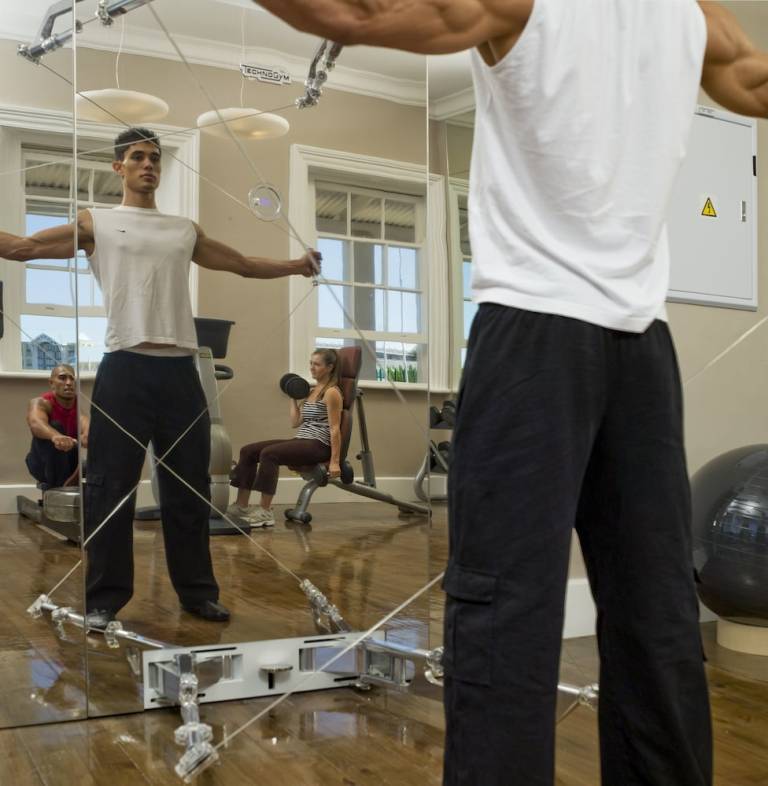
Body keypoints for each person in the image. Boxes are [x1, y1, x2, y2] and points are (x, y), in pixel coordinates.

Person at [254, 2, 768, 785]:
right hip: (625, 348)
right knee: (649, 611)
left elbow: (356, 11)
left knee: (536, 610)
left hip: (551, 337)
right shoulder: (689, 13)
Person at [0, 127, 320, 630]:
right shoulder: (96, 222)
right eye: (137, 157)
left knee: (188, 488)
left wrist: (297, 265)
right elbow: (21, 247)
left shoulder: (182, 229)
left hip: (180, 372)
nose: (148, 164)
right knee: (110, 487)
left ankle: (198, 593)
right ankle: (105, 599)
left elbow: (240, 264)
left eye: (154, 157)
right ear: (119, 167)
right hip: (124, 368)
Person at [228, 348, 342, 527]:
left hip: (318, 445)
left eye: (317, 364)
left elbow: (335, 429)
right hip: (302, 440)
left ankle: (265, 511)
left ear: (329, 367)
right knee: (248, 451)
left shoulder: (331, 392)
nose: (312, 368)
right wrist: (293, 397)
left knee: (269, 454)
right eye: (311, 363)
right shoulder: (312, 391)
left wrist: (335, 461)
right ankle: (241, 505)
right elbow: (295, 422)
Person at [25, 364, 89, 490]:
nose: (69, 383)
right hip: (41, 464)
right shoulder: (41, 402)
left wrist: (87, 434)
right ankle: (59, 490)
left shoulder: (77, 405)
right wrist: (56, 436)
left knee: (94, 464)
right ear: (51, 383)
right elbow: (35, 422)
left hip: (69, 463)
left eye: (72, 379)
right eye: (62, 378)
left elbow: (84, 421)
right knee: (55, 426)